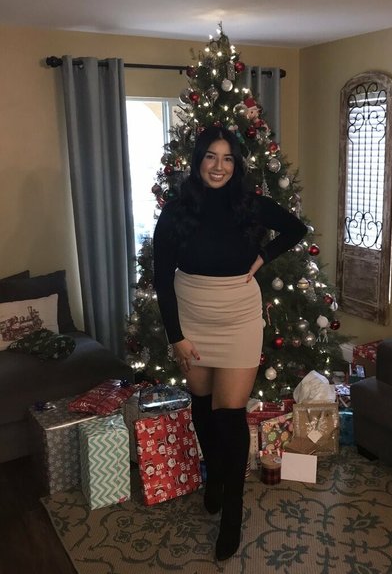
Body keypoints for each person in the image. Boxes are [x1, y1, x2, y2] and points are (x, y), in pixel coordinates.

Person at [153, 126, 307, 561]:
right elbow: (162, 279)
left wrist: (263, 258)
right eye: (210, 157)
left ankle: (232, 513)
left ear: (236, 165)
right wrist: (176, 337)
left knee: (230, 414)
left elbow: (295, 228)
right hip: (192, 318)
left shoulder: (250, 205)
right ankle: (217, 477)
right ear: (198, 161)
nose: (218, 166)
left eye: (227, 158)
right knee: (202, 404)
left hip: (239, 318)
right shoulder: (176, 211)